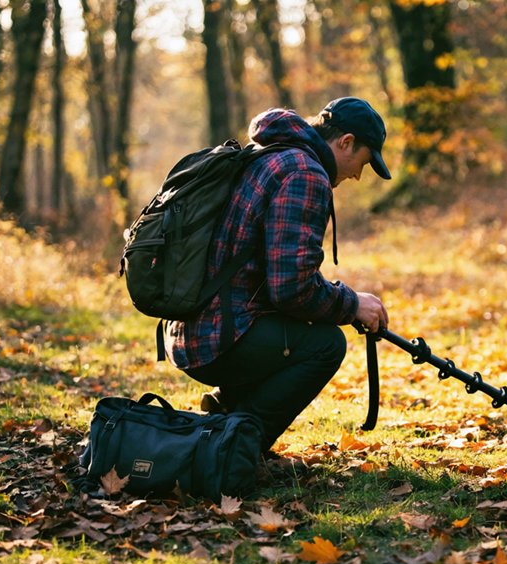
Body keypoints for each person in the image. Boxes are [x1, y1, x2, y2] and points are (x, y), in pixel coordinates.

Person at [163, 97, 391, 463]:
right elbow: (291, 288)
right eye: (363, 162)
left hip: (192, 329)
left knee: (303, 327)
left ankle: (227, 415)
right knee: (326, 344)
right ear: (346, 142)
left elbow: (278, 277)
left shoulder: (272, 154)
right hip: (217, 338)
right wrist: (352, 305)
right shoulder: (305, 174)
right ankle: (234, 449)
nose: (357, 175)